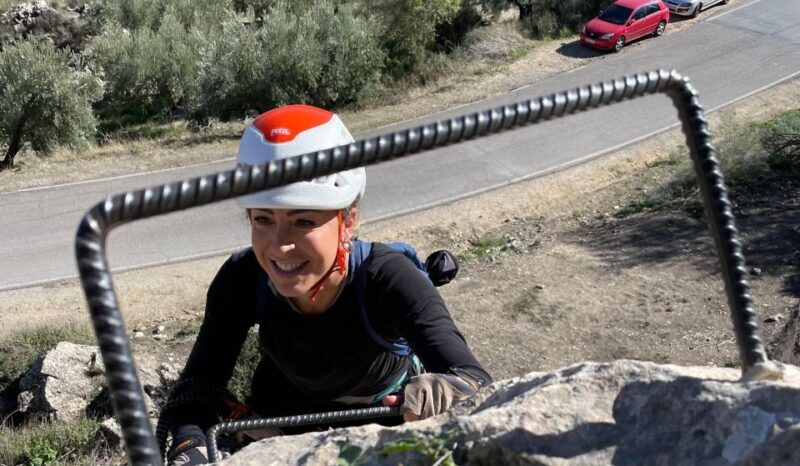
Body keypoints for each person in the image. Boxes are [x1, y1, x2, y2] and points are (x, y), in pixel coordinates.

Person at [160, 104, 492, 465]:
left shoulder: (389, 279)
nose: (279, 246)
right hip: (278, 414)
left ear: (348, 219)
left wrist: (442, 390)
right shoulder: (242, 278)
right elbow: (195, 390)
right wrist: (188, 448)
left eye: (303, 221)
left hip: (383, 414)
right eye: (263, 219)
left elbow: (473, 378)